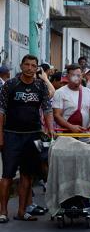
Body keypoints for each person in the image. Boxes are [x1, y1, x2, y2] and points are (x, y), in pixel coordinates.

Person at [0, 55, 54, 223]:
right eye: (27, 65)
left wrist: (50, 130)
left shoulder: (40, 86)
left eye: (33, 65)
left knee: (27, 176)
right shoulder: (10, 85)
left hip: (33, 136)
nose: (30, 68)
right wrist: (0, 136)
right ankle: (3, 212)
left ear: (37, 68)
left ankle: (22, 212)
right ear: (21, 65)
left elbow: (47, 109)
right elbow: (1, 111)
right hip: (11, 135)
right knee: (7, 175)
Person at [53, 64, 90, 133]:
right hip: (65, 137)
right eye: (73, 75)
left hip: (85, 137)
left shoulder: (89, 92)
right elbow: (57, 115)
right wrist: (70, 127)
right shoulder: (59, 92)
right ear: (67, 76)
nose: (76, 78)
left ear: (82, 76)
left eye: (78, 75)